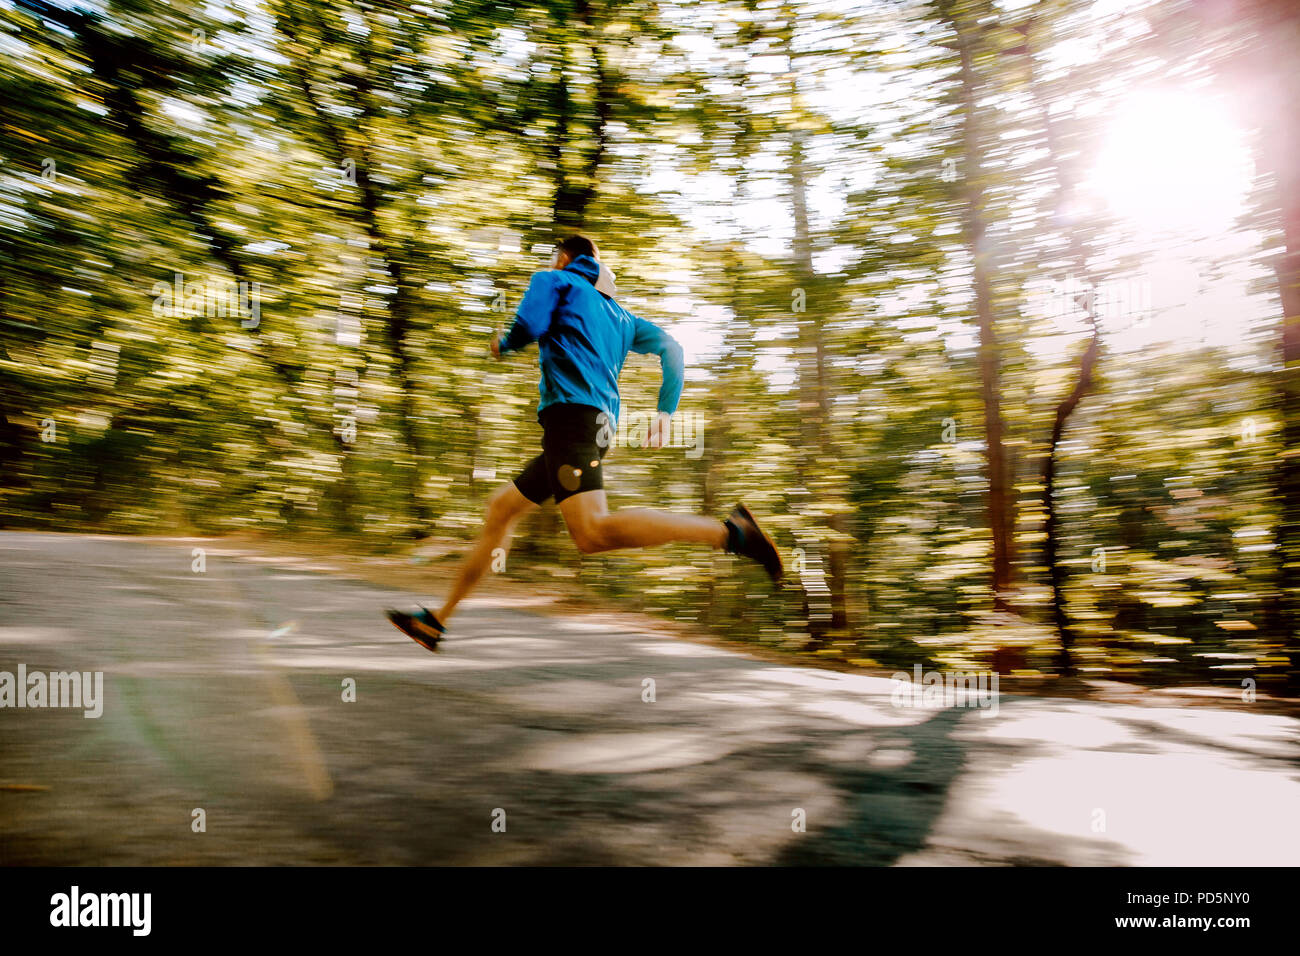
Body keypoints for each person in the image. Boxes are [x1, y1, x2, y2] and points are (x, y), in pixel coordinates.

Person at [386, 235, 782, 651]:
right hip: (592, 427)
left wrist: (504, 344)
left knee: (592, 533)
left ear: (563, 257)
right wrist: (665, 413)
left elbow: (529, 327)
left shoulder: (554, 281)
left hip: (572, 422)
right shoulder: (622, 318)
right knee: (501, 510)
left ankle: (730, 533)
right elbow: (673, 349)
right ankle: (436, 622)